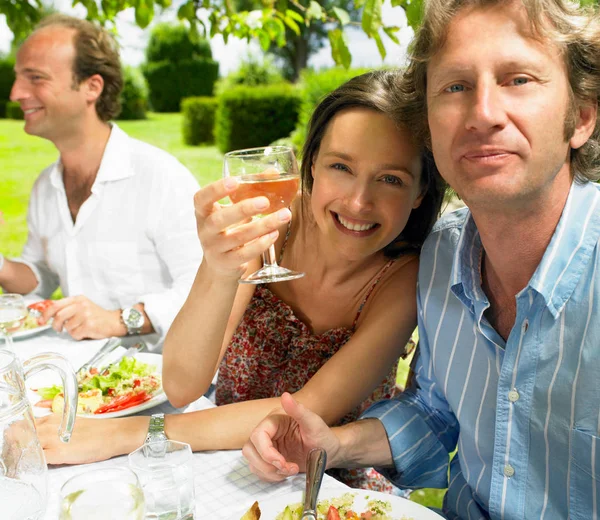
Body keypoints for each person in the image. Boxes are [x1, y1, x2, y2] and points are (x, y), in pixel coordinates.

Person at [242, 1, 600, 518]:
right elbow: (433, 414)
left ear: (582, 117)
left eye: (518, 79)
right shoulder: (443, 253)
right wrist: (332, 445)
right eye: (454, 87)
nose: (483, 113)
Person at [37, 70, 445, 492]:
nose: (359, 202)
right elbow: (181, 384)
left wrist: (122, 435)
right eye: (341, 166)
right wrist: (217, 270)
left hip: (329, 479)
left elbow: (305, 413)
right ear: (311, 165)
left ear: (420, 191)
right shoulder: (271, 221)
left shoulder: (403, 276)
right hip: (221, 460)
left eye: (391, 179)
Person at [1, 14, 202, 344]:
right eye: (18, 78)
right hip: (83, 379)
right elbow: (38, 277)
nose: (15, 93)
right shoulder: (45, 187)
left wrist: (120, 320)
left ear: (92, 87)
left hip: (166, 381)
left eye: (35, 78)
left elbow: (207, 288)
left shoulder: (160, 178)